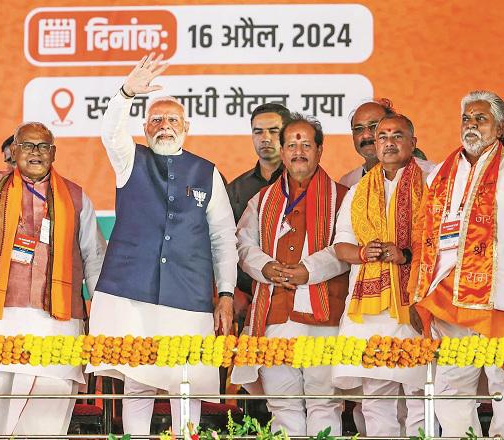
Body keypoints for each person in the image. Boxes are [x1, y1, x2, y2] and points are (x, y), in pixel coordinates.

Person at [0, 65, 106, 436]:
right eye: (27, 145)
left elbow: (94, 257)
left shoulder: (77, 197)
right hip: (0, 318)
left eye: (43, 146)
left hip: (58, 323)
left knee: (47, 413)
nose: (35, 152)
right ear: (13, 151)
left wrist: (102, 314)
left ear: (54, 152)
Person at [87, 53, 238, 435]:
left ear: (186, 126)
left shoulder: (206, 171)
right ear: (145, 127)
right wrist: (126, 93)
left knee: (186, 383)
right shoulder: (129, 160)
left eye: (172, 120)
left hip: (187, 293)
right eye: (157, 119)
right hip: (131, 291)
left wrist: (225, 293)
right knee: (138, 381)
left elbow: (222, 236)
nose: (165, 126)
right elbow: (110, 133)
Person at [232, 113, 349, 436]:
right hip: (274, 317)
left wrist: (307, 271)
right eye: (291, 144)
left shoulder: (343, 197)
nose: (299, 151)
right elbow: (242, 243)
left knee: (324, 403)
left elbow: (346, 246)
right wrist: (266, 267)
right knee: (282, 405)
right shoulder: (262, 200)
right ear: (282, 152)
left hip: (324, 317)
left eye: (306, 144)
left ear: (320, 150)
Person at [412, 90, 504, 438]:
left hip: (495, 296)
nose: (471, 125)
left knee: (501, 382)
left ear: (500, 127)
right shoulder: (440, 173)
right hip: (447, 295)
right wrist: (417, 292)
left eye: (480, 118)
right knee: (452, 387)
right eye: (467, 119)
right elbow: (423, 236)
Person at [332, 114, 431, 437]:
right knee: (376, 395)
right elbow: (341, 245)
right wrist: (365, 253)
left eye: (397, 135)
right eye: (382, 136)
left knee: (420, 393)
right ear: (375, 145)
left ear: (413, 143)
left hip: (417, 301)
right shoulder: (359, 190)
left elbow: (446, 240)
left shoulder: (433, 180)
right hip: (371, 310)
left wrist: (405, 255)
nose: (389, 142)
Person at [227, 103, 289, 320]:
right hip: (246, 300)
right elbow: (221, 243)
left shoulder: (307, 183)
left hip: (294, 296)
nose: (265, 138)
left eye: (274, 131)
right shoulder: (235, 189)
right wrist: (230, 293)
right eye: (258, 131)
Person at [340, 100, 434, 188]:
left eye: (374, 126)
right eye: (358, 128)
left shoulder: (431, 175)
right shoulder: (348, 183)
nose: (366, 135)